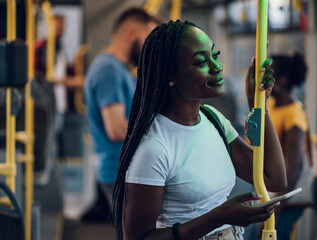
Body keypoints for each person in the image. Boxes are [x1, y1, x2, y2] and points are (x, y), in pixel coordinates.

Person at [112, 20, 287, 240]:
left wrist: (258, 105)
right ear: (170, 76)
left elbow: (274, 179)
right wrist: (220, 216)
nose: (217, 67)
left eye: (216, 55)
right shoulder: (154, 147)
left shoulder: (214, 120)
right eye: (202, 62)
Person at [84, 8, 160, 207]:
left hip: (125, 169)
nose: (152, 47)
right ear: (131, 34)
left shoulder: (117, 68)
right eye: (149, 38)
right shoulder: (109, 70)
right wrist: (163, 130)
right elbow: (117, 129)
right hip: (121, 171)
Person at [266, 52, 312, 240]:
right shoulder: (271, 105)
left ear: (282, 81)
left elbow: (295, 166)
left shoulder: (293, 115)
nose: (264, 77)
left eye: (270, 74)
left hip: (285, 197)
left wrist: (276, 207)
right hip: (272, 190)